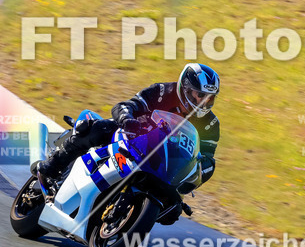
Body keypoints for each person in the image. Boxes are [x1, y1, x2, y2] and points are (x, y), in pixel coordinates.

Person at [30, 63, 221, 195]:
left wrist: (198, 173)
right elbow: (126, 105)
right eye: (200, 95)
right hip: (134, 137)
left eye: (210, 97)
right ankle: (51, 167)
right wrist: (127, 119)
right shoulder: (164, 92)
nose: (205, 102)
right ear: (185, 88)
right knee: (95, 129)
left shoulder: (211, 124)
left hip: (165, 165)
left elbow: (207, 157)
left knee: (173, 211)